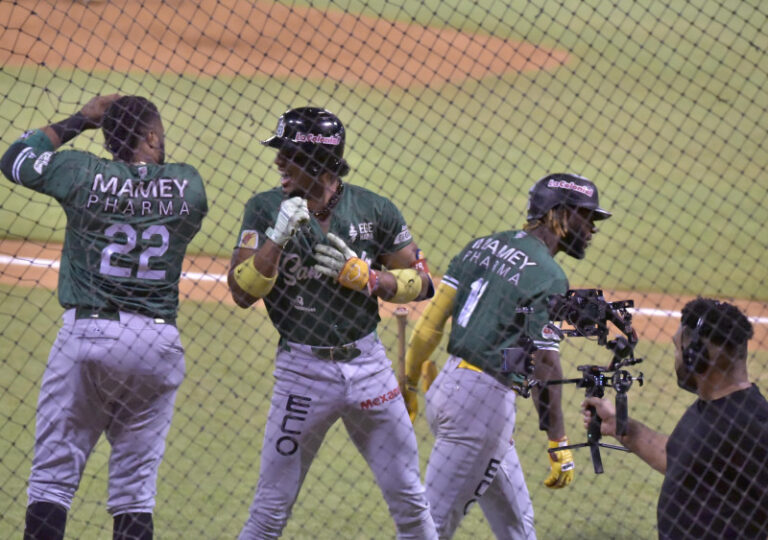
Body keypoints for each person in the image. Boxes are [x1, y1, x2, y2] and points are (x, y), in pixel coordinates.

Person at [0, 94, 208, 540]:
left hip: (90, 334)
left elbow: (16, 159)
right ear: (150, 136)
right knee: (135, 491)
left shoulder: (81, 172)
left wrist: (81, 120)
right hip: (156, 343)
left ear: (110, 138)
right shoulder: (188, 185)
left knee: (52, 480)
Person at [228, 106, 438, 539]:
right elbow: (242, 292)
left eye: (288, 154)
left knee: (412, 504)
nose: (278, 162)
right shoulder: (265, 208)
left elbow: (424, 282)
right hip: (302, 373)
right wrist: (276, 238)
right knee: (269, 510)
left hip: (369, 369)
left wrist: (372, 279)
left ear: (318, 163)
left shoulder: (374, 210)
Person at [404, 173, 612, 539]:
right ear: (559, 213)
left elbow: (429, 327)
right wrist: (558, 442)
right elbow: (546, 365)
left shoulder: (481, 246)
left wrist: (408, 381)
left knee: (517, 524)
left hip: (451, 389)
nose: (592, 228)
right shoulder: (548, 276)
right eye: (587, 216)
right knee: (429, 528)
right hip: (479, 412)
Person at [582, 298, 768, 539]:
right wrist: (622, 427)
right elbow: (681, 458)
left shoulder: (752, 425)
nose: (676, 358)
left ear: (697, 356)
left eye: (678, 349)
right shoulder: (709, 407)